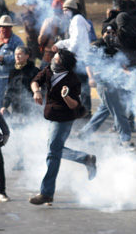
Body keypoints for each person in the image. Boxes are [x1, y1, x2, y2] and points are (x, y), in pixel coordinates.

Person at [29, 49, 97, 205]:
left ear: (62, 63)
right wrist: (37, 91)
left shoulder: (73, 80)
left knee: (52, 153)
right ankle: (86, 159)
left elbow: (75, 105)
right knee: (55, 150)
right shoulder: (48, 69)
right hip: (52, 116)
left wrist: (66, 96)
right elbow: (35, 81)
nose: (53, 59)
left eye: (56, 58)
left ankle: (46, 193)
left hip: (64, 119)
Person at [78, 24, 135, 149]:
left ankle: (85, 133)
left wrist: (129, 73)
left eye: (113, 33)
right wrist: (91, 77)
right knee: (118, 111)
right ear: (103, 34)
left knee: (104, 109)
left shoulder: (116, 48)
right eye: (107, 33)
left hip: (115, 83)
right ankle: (125, 139)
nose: (110, 35)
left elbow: (122, 66)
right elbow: (89, 62)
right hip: (104, 82)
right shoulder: (96, 46)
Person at [52, 0, 91, 115]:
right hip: (78, 58)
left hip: (79, 59)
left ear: (73, 10)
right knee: (79, 85)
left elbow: (76, 40)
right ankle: (82, 109)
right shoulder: (75, 20)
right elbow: (72, 40)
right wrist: (60, 44)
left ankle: (84, 110)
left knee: (80, 85)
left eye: (66, 10)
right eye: (63, 10)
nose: (64, 12)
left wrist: (68, 53)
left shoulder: (77, 19)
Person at [0, 46, 40, 119]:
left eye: (20, 54)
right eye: (15, 54)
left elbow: (42, 89)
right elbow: (10, 90)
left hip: (31, 108)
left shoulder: (35, 71)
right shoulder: (13, 72)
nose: (17, 56)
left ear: (27, 56)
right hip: (16, 108)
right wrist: (4, 106)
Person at [38, 0, 66, 70]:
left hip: (51, 55)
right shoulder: (67, 21)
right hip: (62, 55)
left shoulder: (49, 21)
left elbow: (41, 40)